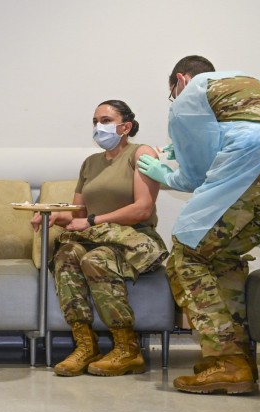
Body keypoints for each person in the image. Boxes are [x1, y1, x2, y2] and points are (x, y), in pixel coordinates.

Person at [137, 55, 260, 394]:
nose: (173, 100)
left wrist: (166, 174)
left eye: (172, 92)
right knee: (221, 256)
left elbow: (195, 176)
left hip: (251, 167)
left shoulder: (189, 98)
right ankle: (238, 360)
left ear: (181, 80)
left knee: (187, 254)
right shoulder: (243, 80)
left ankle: (227, 363)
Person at [32, 100, 168, 378]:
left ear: (125, 126)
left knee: (95, 259)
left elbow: (142, 208)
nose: (98, 127)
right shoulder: (90, 163)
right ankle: (85, 344)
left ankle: (127, 348)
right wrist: (54, 215)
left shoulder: (140, 153)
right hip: (96, 236)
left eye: (105, 120)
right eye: (95, 121)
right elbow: (79, 214)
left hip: (133, 240)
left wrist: (93, 221)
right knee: (67, 254)